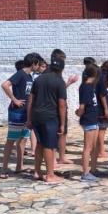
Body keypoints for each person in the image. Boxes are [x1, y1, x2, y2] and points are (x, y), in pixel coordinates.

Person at [26, 50, 68, 183]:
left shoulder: (38, 79)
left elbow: (30, 100)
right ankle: (50, 175)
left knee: (40, 143)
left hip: (36, 115)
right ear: (61, 69)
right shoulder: (59, 82)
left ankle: (37, 171)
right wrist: (62, 124)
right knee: (49, 145)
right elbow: (62, 105)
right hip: (50, 117)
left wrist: (29, 118)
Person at [0, 52, 39, 178]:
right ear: (33, 64)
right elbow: (5, 85)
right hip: (17, 112)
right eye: (37, 64)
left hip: (26, 113)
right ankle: (4, 169)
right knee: (11, 140)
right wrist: (14, 99)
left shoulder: (29, 77)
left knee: (23, 140)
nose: (38, 66)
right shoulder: (20, 74)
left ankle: (19, 166)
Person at [76, 64, 101, 182]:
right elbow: (82, 106)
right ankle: (85, 173)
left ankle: (93, 169)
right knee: (88, 147)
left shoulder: (91, 86)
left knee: (95, 146)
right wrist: (79, 113)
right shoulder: (86, 87)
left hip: (94, 118)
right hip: (89, 119)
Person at [55, 50, 80, 166]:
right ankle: (56, 158)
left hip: (61, 105)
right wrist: (69, 82)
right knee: (59, 132)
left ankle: (62, 156)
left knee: (63, 132)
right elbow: (56, 91)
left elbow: (59, 89)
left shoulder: (57, 73)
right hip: (57, 106)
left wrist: (69, 83)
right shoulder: (54, 73)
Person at [96, 60, 108, 158]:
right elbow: (102, 94)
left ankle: (99, 149)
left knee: (102, 128)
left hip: (101, 105)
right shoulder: (103, 78)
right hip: (102, 106)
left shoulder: (101, 76)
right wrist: (106, 108)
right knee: (102, 129)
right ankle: (100, 151)